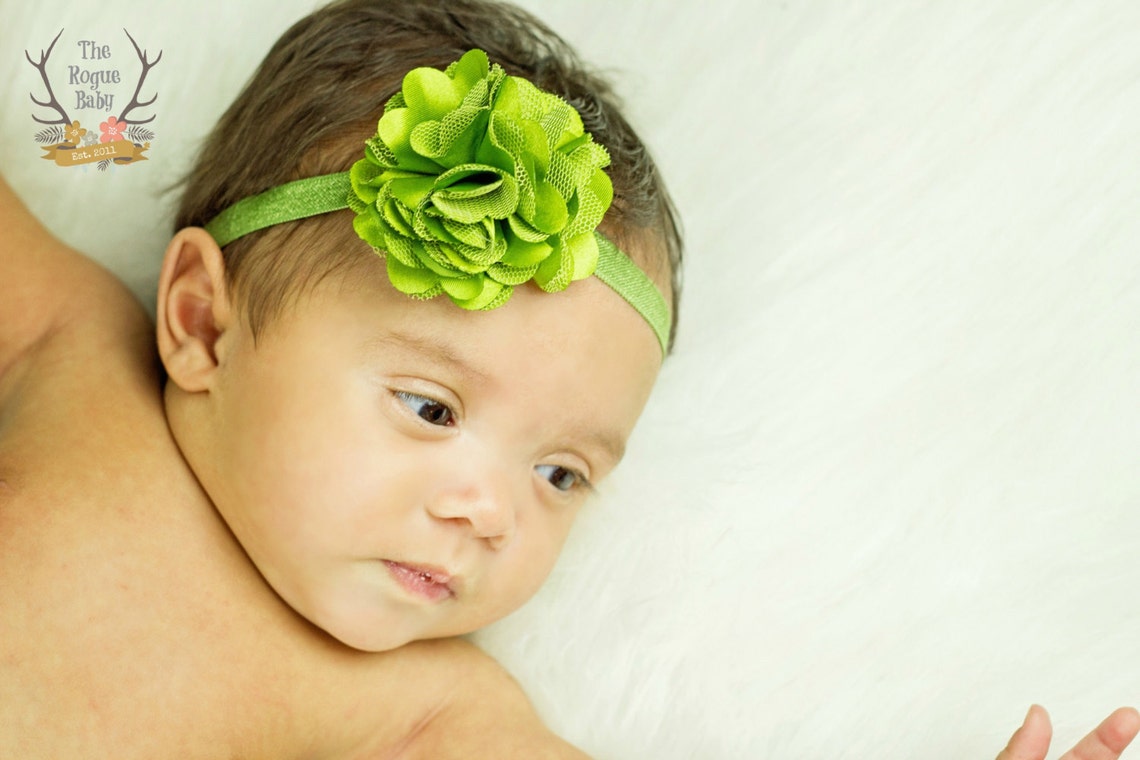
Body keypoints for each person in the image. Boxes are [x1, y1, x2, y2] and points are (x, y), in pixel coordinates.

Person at [0, 1, 1132, 757]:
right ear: (204, 323)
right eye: (430, 407)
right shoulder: (72, 355)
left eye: (559, 471)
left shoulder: (437, 711)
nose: (487, 511)